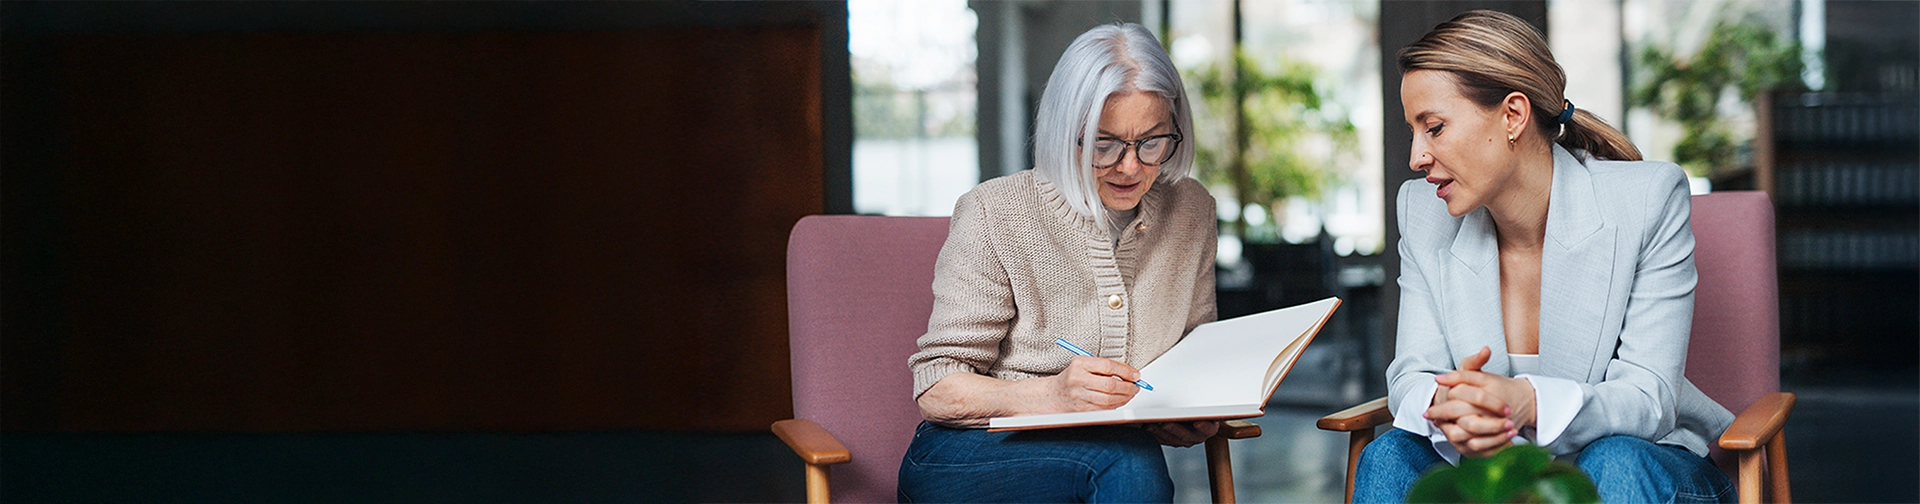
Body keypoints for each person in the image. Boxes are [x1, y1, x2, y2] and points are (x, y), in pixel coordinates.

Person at [1354, 10, 1737, 504]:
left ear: (1513, 115)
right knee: (1389, 456)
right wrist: (1451, 403)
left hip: (1646, 464)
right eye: (1414, 131)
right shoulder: (1423, 213)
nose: (1416, 156)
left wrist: (1528, 403)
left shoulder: (1646, 200)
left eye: (1434, 128)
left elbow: (1649, 399)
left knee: (1611, 462)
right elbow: (1411, 375)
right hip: (1499, 469)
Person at [896, 22, 1221, 504]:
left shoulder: (1191, 209)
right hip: (970, 452)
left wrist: (1184, 411)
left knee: (1127, 457)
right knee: (1128, 463)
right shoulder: (994, 212)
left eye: (1151, 142)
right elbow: (937, 387)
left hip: (1114, 449)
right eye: (1104, 144)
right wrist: (1053, 394)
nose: (1130, 166)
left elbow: (1195, 348)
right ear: (1064, 130)